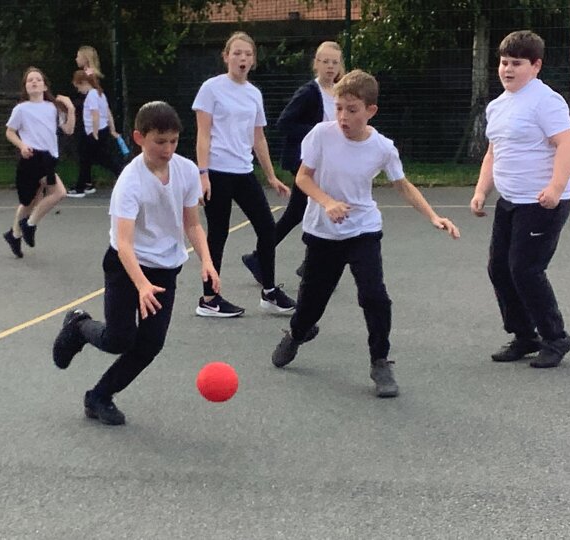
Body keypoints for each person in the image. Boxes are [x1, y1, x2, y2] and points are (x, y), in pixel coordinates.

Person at [271, 69, 460, 398]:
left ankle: (380, 361)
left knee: (374, 296)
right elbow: (303, 178)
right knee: (311, 305)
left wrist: (433, 216)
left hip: (363, 230)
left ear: (371, 110)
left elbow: (403, 185)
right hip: (322, 234)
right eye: (338, 108)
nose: (343, 116)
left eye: (352, 109)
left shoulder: (382, 147)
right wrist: (328, 202)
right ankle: (298, 333)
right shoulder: (320, 135)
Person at [52, 101, 220, 426]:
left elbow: (192, 224)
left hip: (165, 269)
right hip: (126, 267)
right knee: (119, 340)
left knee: (150, 345)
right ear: (139, 138)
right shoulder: (130, 181)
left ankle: (99, 396)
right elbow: (125, 244)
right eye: (160, 141)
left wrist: (208, 262)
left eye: (173, 141)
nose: (168, 149)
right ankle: (78, 326)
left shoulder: (186, 170)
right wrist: (142, 285)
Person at [470, 30, 570, 369]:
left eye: (517, 63)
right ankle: (524, 335)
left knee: (526, 269)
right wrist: (481, 191)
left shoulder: (546, 101)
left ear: (536, 66)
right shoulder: (498, 106)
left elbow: (567, 144)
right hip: (510, 201)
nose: (507, 69)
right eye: (504, 62)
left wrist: (555, 188)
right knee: (499, 268)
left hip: (542, 203)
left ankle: (555, 337)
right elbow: (493, 152)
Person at [192, 31, 296, 318]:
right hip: (217, 170)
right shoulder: (211, 89)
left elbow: (258, 138)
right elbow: (203, 134)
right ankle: (209, 299)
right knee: (218, 233)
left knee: (267, 228)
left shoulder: (254, 93)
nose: (243, 58)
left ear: (253, 60)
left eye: (248, 54)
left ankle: (270, 292)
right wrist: (202, 174)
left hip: (244, 171)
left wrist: (271, 176)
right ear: (226, 56)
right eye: (237, 53)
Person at [242, 41, 345, 284]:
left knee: (304, 211)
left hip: (326, 163)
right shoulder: (309, 92)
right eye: (325, 61)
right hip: (304, 161)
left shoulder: (340, 92)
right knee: (304, 211)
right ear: (316, 64)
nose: (330, 67)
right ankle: (269, 259)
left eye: (334, 62)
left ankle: (283, 261)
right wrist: (317, 132)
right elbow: (285, 123)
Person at [2, 67, 75, 258]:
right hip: (32, 157)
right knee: (54, 193)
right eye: (30, 80)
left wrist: (71, 109)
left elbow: (68, 130)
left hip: (48, 158)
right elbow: (10, 132)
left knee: (33, 201)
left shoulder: (53, 108)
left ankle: (15, 234)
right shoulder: (21, 109)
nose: (34, 82)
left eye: (38, 79)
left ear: (44, 86)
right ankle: (29, 225)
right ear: (25, 87)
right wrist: (22, 145)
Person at [66, 69, 122, 198]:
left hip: (94, 132)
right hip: (102, 130)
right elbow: (108, 112)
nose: (79, 90)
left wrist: (95, 133)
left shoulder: (91, 96)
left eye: (78, 87)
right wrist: (112, 129)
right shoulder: (100, 93)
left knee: (99, 158)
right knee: (89, 158)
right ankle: (83, 185)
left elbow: (95, 114)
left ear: (84, 83)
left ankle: (81, 188)